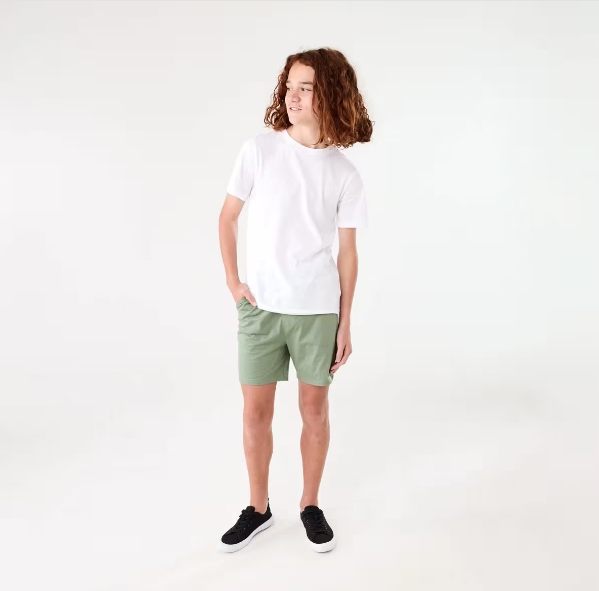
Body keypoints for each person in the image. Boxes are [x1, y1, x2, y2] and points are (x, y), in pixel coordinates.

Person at [217, 47, 372, 553]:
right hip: (260, 308)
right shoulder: (259, 151)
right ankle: (258, 508)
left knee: (314, 411)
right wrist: (234, 283)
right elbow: (227, 218)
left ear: (331, 94)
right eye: (290, 86)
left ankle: (309, 504)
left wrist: (345, 322)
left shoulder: (344, 173)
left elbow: (348, 253)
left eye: (306, 87)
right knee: (254, 414)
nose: (294, 96)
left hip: (317, 310)